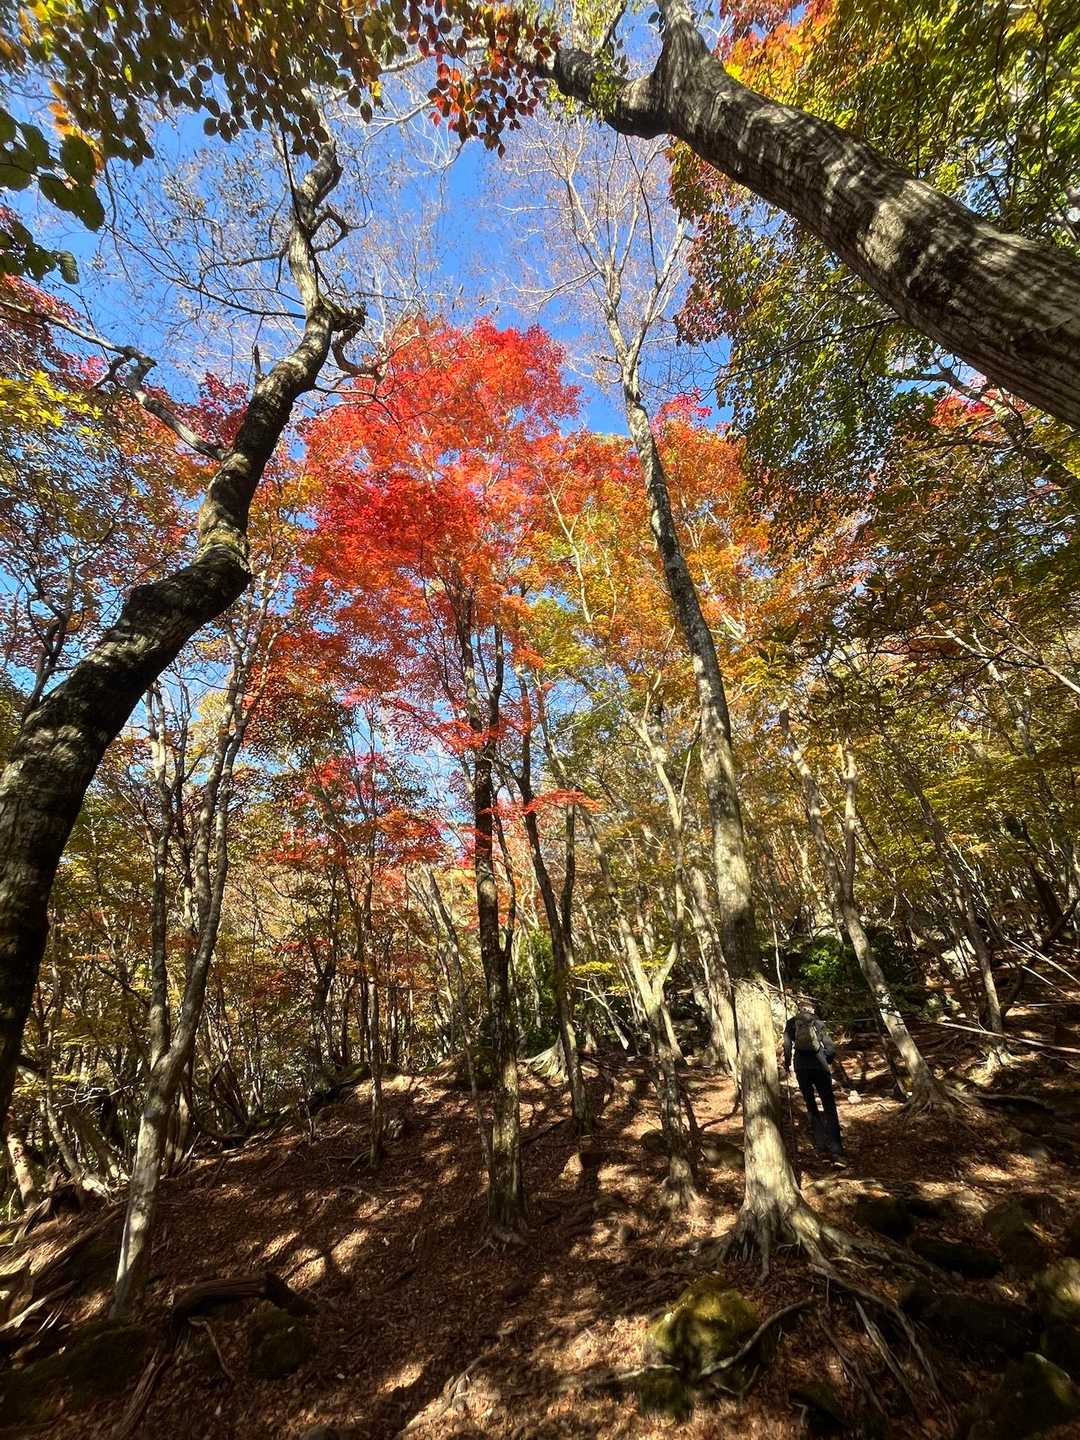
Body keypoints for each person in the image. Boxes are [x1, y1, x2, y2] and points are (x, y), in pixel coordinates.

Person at [783, 1001, 845, 1164]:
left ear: (798, 1009)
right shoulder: (817, 1022)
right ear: (811, 1009)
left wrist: (787, 1063)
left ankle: (821, 1148)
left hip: (801, 1068)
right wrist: (826, 1059)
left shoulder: (791, 1023)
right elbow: (830, 1048)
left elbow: (787, 1046)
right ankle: (837, 1151)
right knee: (829, 1106)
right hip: (820, 1067)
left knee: (811, 1106)